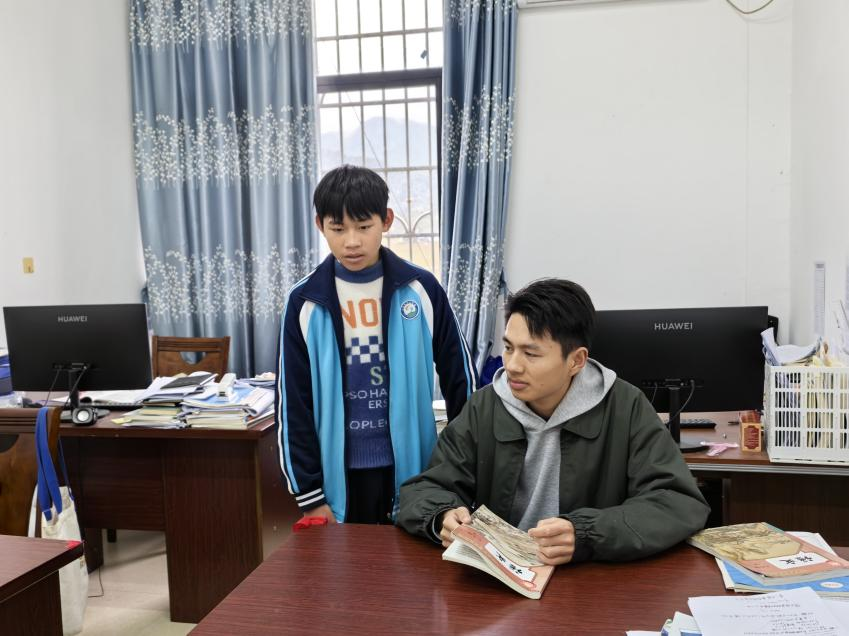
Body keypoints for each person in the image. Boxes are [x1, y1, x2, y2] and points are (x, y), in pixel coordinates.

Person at [397, 278, 710, 564]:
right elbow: (426, 488)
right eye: (508, 348)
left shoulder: (625, 407)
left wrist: (586, 534)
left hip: (589, 576)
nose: (513, 366)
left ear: (576, 361)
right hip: (503, 575)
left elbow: (677, 502)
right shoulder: (485, 406)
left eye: (531, 354)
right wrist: (441, 515)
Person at [276, 165, 478, 525]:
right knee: (349, 563)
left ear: (386, 220)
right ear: (320, 225)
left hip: (416, 474)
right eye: (338, 229)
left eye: (363, 226)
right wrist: (309, 495)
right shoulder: (305, 301)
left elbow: (461, 382)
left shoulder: (422, 289)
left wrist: (462, 471)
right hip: (339, 481)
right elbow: (293, 404)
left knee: (411, 561)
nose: (352, 241)